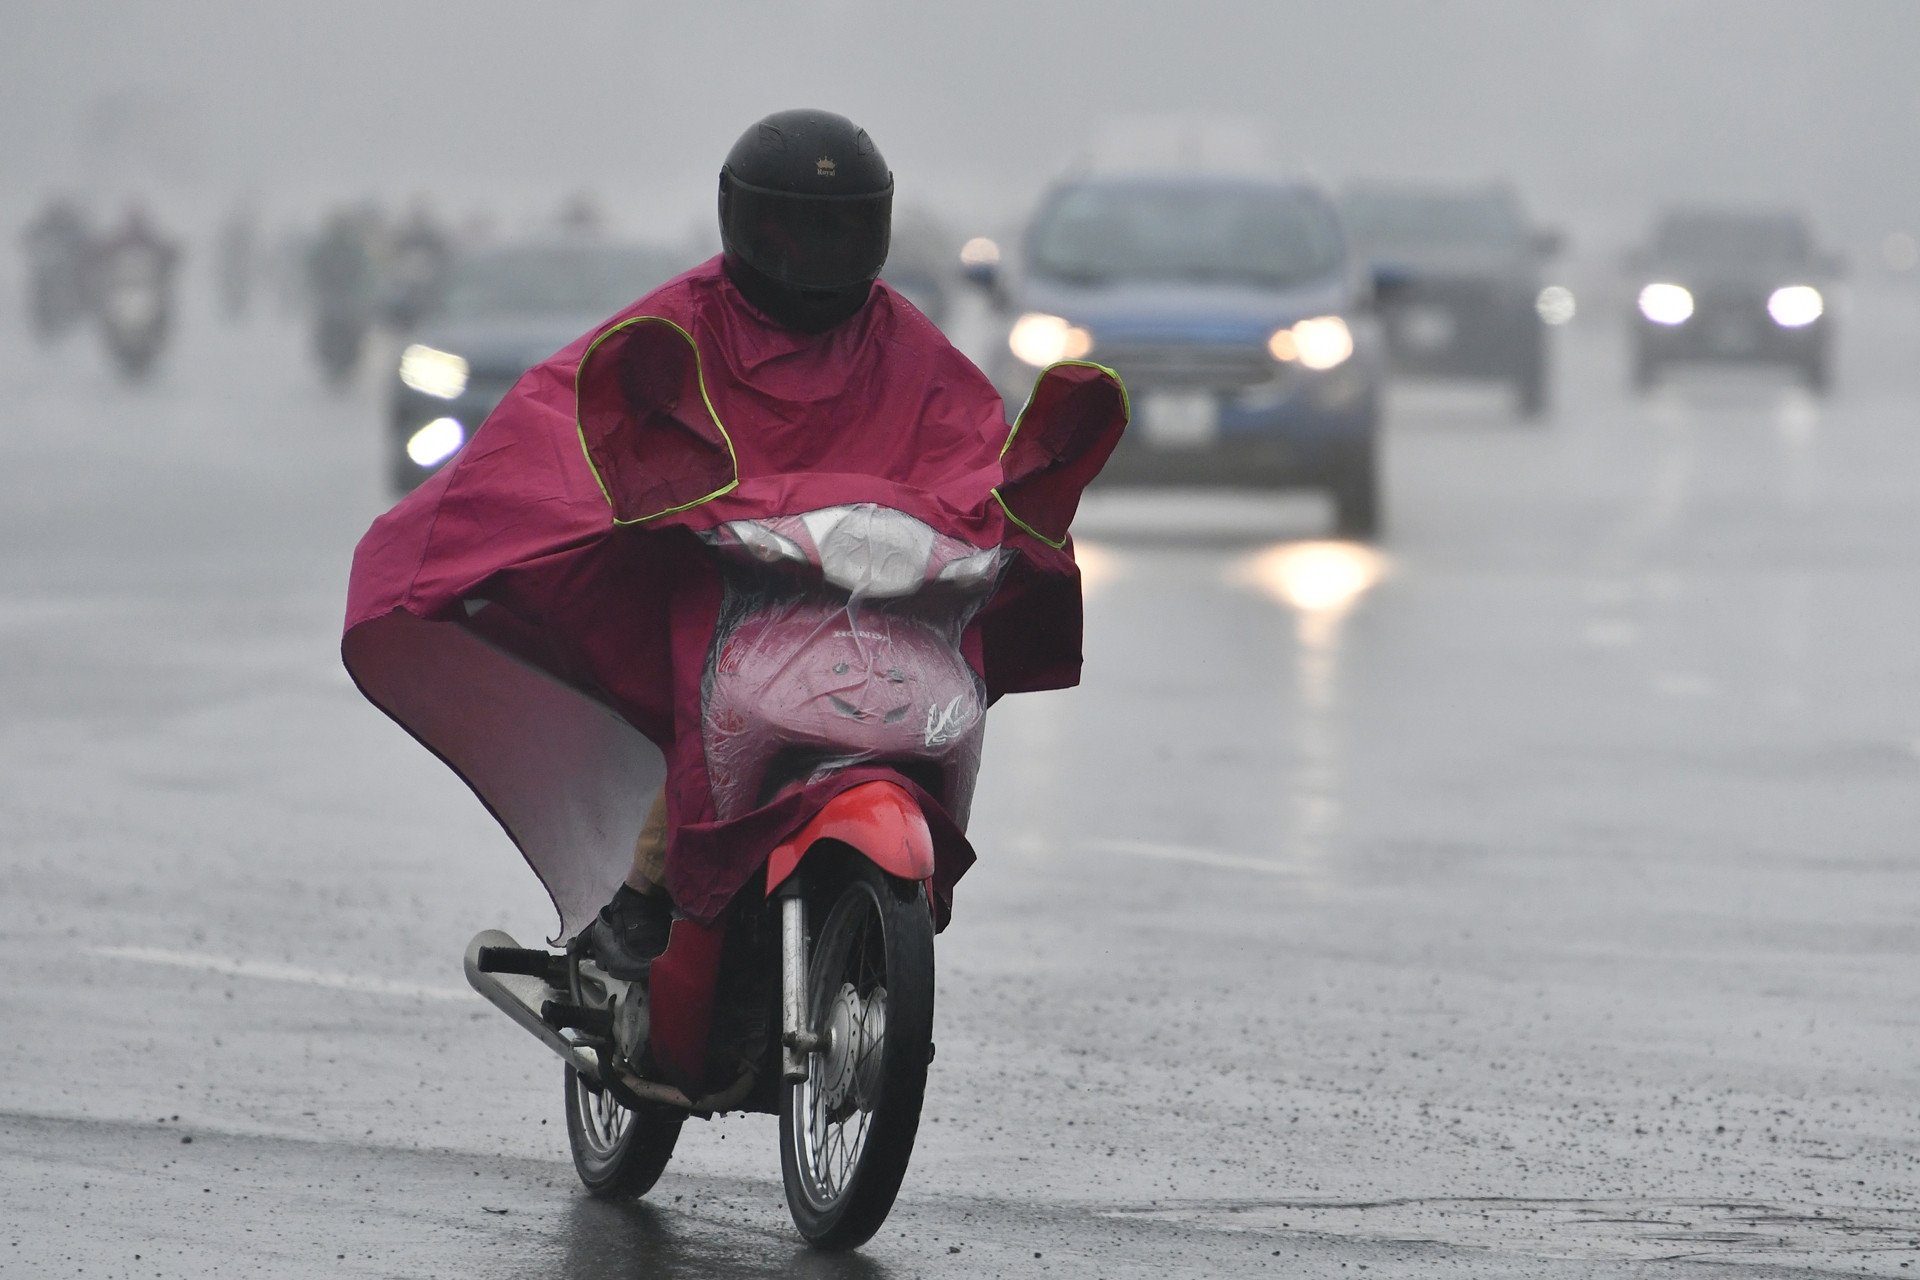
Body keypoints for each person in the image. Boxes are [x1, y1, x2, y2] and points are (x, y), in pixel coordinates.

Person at [341, 109, 1122, 985]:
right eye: (792, 228)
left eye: (839, 230)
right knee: (699, 703)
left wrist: (1013, 511)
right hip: (724, 599)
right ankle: (643, 896)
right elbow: (568, 424)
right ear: (743, 220)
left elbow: (972, 450)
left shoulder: (907, 346)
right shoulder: (678, 327)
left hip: (870, 612)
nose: (815, 256)